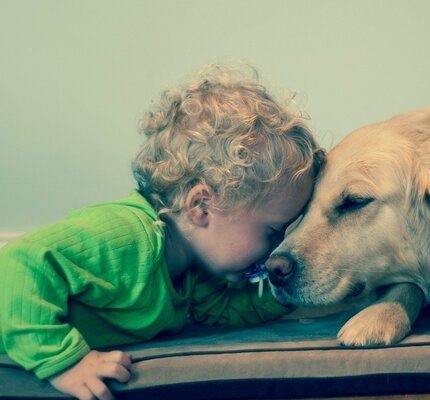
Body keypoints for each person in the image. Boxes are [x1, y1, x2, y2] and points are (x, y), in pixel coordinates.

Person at [0, 65, 325, 400]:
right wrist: (61, 361)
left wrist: (293, 287)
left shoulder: (192, 273)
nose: (277, 246)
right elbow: (23, 261)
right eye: (273, 232)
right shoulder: (128, 237)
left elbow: (227, 311)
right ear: (201, 206)